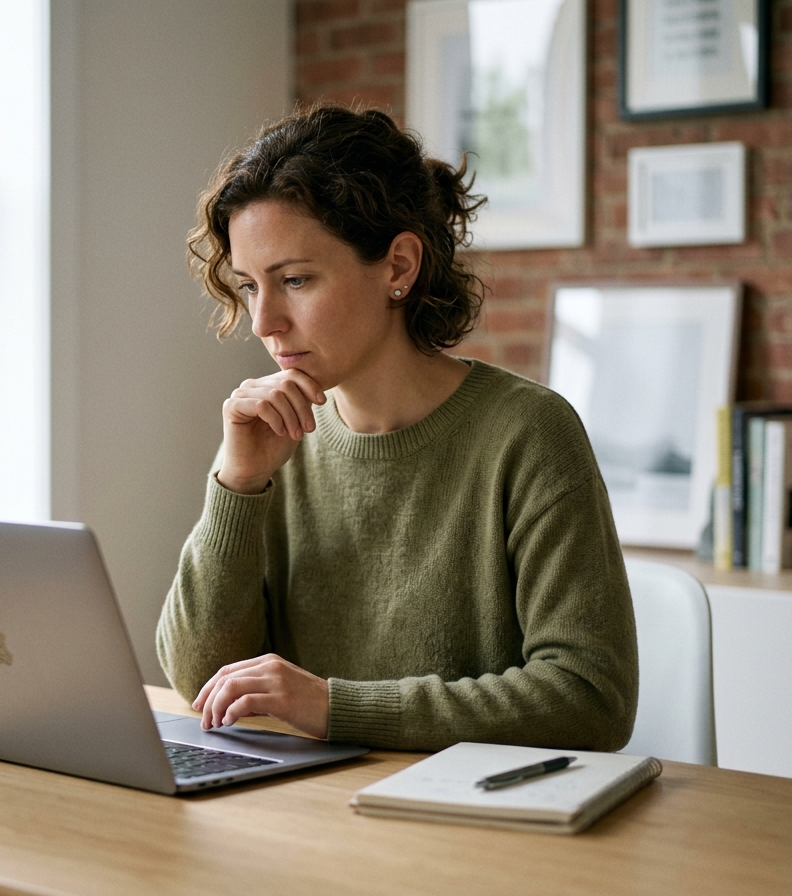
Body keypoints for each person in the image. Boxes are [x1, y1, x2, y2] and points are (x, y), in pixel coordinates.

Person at [155, 105, 637, 752]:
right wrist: (236, 484)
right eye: (248, 286)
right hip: (309, 812)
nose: (264, 321)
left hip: (472, 827)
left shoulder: (528, 433)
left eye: (295, 280)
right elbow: (198, 679)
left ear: (399, 267)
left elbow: (588, 699)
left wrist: (336, 707)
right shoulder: (275, 441)